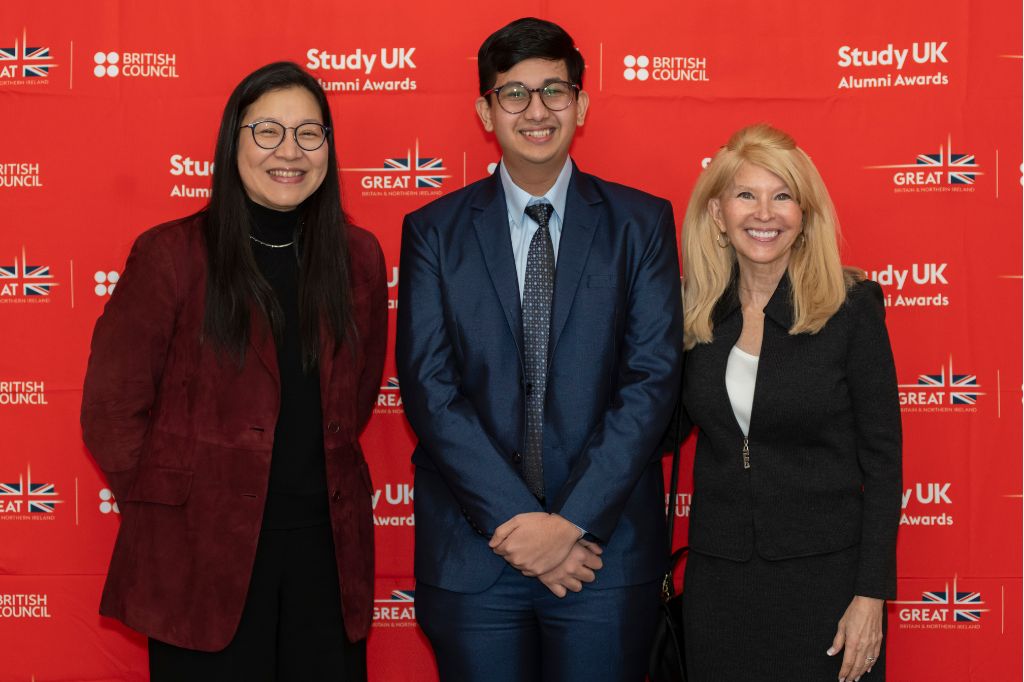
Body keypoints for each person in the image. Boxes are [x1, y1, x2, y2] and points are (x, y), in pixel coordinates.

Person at [395, 17, 683, 682]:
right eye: (513, 93)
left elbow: (651, 380)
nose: (536, 110)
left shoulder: (640, 225)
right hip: (474, 556)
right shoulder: (433, 232)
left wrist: (570, 524)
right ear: (484, 110)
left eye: (554, 90)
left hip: (602, 556)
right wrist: (520, 522)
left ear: (581, 104)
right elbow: (430, 388)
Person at [81, 61, 387, 681]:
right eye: (268, 131)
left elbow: (352, 397)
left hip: (327, 557)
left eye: (309, 133)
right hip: (202, 557)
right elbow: (111, 411)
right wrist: (181, 504)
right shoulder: (171, 254)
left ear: (328, 146)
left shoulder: (357, 257)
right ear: (233, 141)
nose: (290, 151)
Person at [675, 123, 902, 681]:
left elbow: (884, 461)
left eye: (783, 197)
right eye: (746, 195)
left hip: (827, 586)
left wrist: (870, 597)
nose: (765, 213)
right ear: (717, 214)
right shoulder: (690, 314)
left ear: (804, 216)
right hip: (719, 585)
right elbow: (654, 433)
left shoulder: (850, 308)